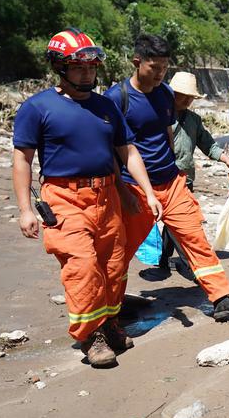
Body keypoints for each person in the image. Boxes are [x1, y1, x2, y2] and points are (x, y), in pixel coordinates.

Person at [12, 28, 162, 367]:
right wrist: (25, 209)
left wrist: (147, 191)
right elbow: (22, 159)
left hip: (107, 196)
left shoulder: (106, 106)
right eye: (79, 68)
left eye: (92, 68)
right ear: (60, 68)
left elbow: (127, 150)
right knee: (82, 267)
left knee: (112, 266)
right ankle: (89, 336)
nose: (87, 74)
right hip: (64, 198)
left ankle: (109, 323)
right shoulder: (38, 108)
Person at [105, 35, 229, 325]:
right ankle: (110, 307)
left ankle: (222, 298)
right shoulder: (116, 98)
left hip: (172, 183)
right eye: (154, 67)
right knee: (122, 249)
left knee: (195, 239)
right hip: (132, 186)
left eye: (164, 68)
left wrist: (173, 165)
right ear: (137, 62)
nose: (159, 74)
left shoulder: (164, 95)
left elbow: (166, 132)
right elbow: (110, 148)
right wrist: (121, 191)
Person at [157, 71, 229, 273]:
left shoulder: (194, 120)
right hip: (162, 179)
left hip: (185, 179)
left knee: (175, 221)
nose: (186, 100)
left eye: (189, 97)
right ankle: (189, 263)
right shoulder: (159, 116)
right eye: (181, 95)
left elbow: (208, 145)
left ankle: (165, 260)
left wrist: (228, 160)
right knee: (180, 222)